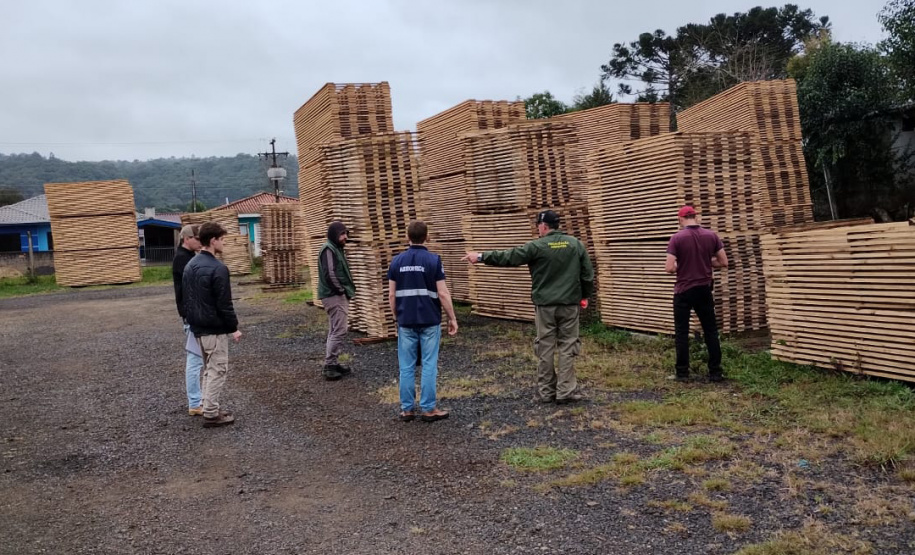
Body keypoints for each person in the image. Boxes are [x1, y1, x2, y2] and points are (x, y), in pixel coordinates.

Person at [462, 210, 594, 405]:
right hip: (569, 304)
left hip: (545, 305)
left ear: (543, 226)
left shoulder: (536, 246)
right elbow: (587, 274)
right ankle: (566, 391)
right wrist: (584, 295)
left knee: (545, 346)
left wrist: (481, 256)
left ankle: (546, 392)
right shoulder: (575, 244)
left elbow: (509, 257)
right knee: (568, 345)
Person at [387, 221, 458, 423]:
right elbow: (443, 293)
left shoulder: (396, 262)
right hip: (429, 320)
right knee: (429, 364)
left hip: (406, 321)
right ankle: (428, 409)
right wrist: (452, 318)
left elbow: (392, 295)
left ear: (407, 237)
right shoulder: (433, 261)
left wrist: (396, 317)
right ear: (427, 237)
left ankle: (407, 409)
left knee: (406, 366)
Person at [183, 222, 242, 427]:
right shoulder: (218, 268)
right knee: (218, 369)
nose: (224, 242)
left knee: (209, 368)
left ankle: (210, 406)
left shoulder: (191, 265)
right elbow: (224, 303)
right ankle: (210, 413)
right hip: (214, 328)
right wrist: (233, 327)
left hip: (197, 328)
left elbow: (187, 298)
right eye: (222, 239)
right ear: (213, 240)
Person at [665, 205, 729, 382]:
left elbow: (669, 268)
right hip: (704, 289)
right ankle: (716, 372)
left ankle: (682, 373)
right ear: (696, 217)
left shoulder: (677, 238)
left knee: (682, 332)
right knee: (710, 330)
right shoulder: (711, 236)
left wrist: (683, 265)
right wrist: (705, 263)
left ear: (681, 219)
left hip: (684, 290)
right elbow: (723, 262)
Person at [317, 221, 356, 381]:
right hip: (333, 295)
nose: (345, 237)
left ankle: (332, 363)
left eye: (345, 233)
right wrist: (340, 290)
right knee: (340, 330)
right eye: (342, 234)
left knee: (334, 329)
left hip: (334, 294)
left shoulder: (336, 248)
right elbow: (330, 273)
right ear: (334, 235)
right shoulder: (329, 249)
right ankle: (329, 366)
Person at [172, 224, 204, 415]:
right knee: (195, 359)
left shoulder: (188, 257)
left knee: (198, 359)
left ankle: (197, 401)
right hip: (191, 315)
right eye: (197, 239)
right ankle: (194, 403)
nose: (200, 242)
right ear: (187, 239)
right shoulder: (182, 260)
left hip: (191, 313)